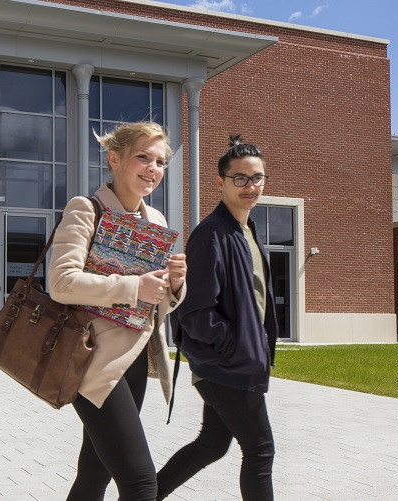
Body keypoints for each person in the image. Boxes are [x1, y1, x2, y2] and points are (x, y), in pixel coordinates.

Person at [48, 121, 188, 500]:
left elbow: (156, 300)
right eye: (143, 157)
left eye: (160, 162)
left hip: (137, 360)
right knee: (141, 481)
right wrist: (132, 286)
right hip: (93, 360)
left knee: (95, 473)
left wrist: (174, 284)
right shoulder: (86, 209)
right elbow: (60, 282)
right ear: (115, 158)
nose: (153, 169)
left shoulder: (155, 220)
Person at [156, 135, 278, 500]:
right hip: (228, 366)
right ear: (221, 182)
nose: (250, 186)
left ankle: (142, 497)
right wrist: (235, 346)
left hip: (234, 363)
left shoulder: (246, 231)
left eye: (257, 178)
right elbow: (195, 313)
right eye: (239, 178)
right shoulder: (211, 234)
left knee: (212, 445)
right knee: (260, 449)